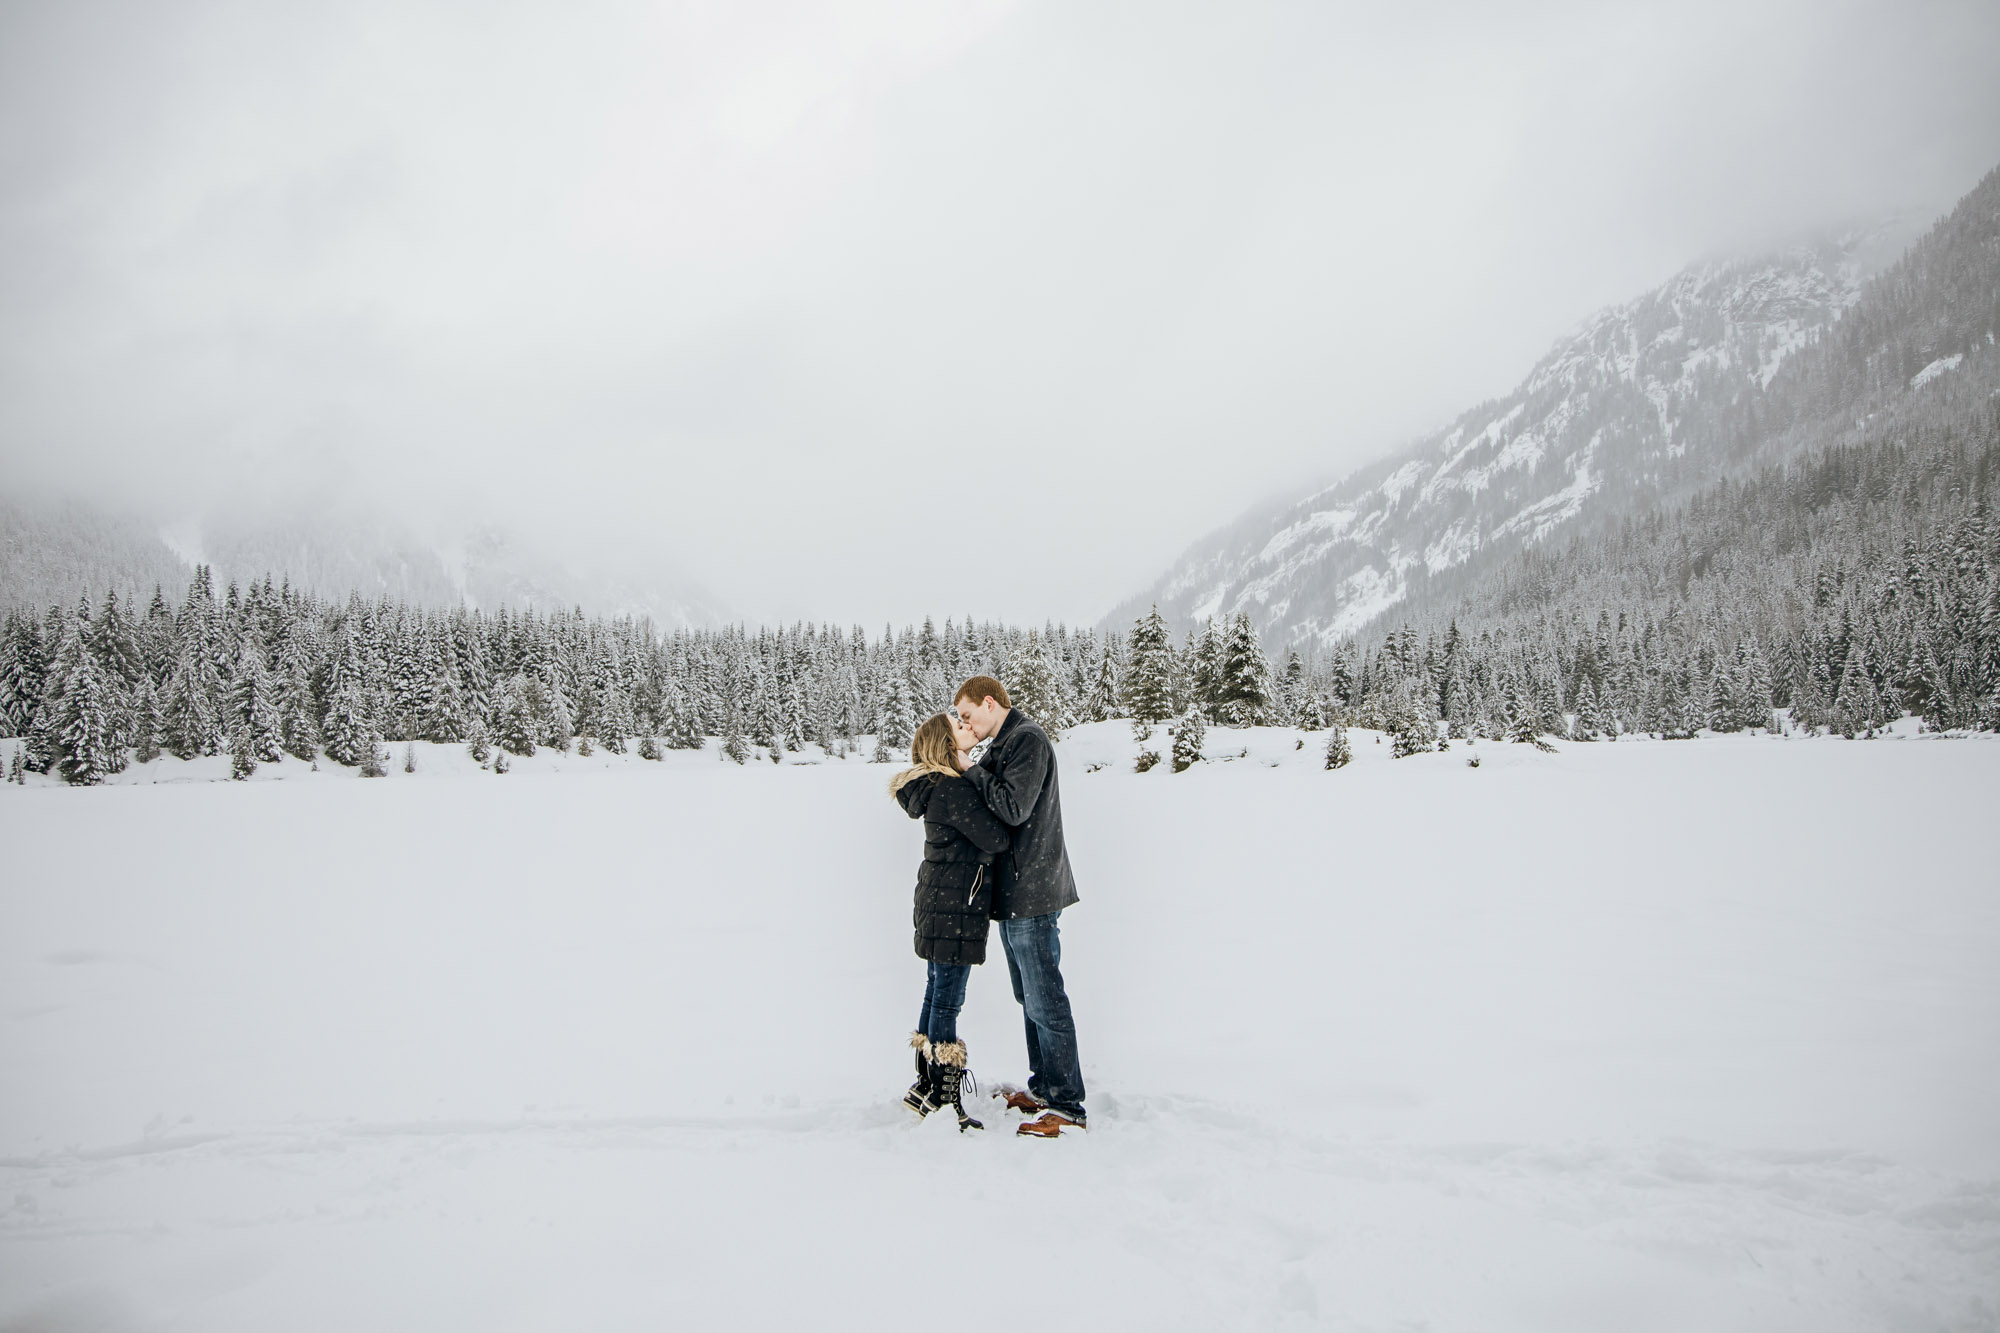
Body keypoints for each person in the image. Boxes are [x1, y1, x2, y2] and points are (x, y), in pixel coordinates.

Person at [952, 675, 1086, 1138]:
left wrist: (969, 767)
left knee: (1046, 998)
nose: (965, 724)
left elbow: (1012, 808)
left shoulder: (1027, 740)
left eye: (968, 715)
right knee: (1029, 997)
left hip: (1033, 891)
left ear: (990, 703)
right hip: (1014, 894)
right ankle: (1046, 1088)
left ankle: (1068, 1106)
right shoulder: (1005, 743)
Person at [891, 710, 1011, 1132]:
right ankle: (944, 1102)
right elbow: (996, 838)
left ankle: (924, 1087)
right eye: (958, 726)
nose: (966, 727)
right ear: (945, 744)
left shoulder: (934, 787)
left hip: (938, 902)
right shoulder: (954, 789)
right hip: (956, 905)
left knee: (935, 991)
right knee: (947, 999)